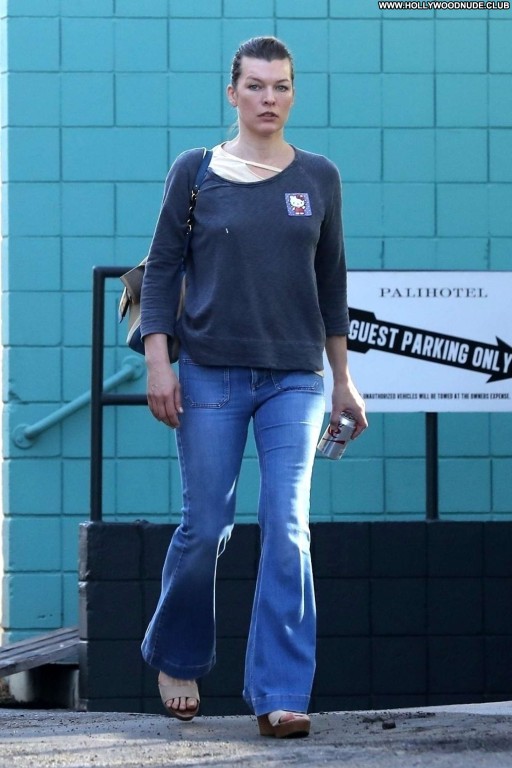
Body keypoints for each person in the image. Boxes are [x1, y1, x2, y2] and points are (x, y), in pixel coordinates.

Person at [139, 36, 367, 739]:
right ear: (232, 92)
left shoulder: (320, 176)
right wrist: (158, 362)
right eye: (257, 86)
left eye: (282, 86)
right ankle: (177, 657)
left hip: (294, 378)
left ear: (293, 93)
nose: (270, 98)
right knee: (207, 524)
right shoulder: (196, 171)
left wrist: (344, 380)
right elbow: (162, 269)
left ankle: (281, 693)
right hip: (209, 371)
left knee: (288, 526)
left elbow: (331, 283)